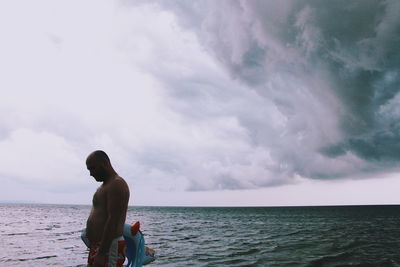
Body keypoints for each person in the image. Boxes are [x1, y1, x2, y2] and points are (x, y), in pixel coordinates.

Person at [85, 150, 130, 267]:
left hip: (109, 247)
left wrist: (101, 253)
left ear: (104, 163)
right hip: (100, 246)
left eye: (92, 168)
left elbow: (113, 220)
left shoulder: (117, 184)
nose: (91, 173)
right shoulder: (105, 186)